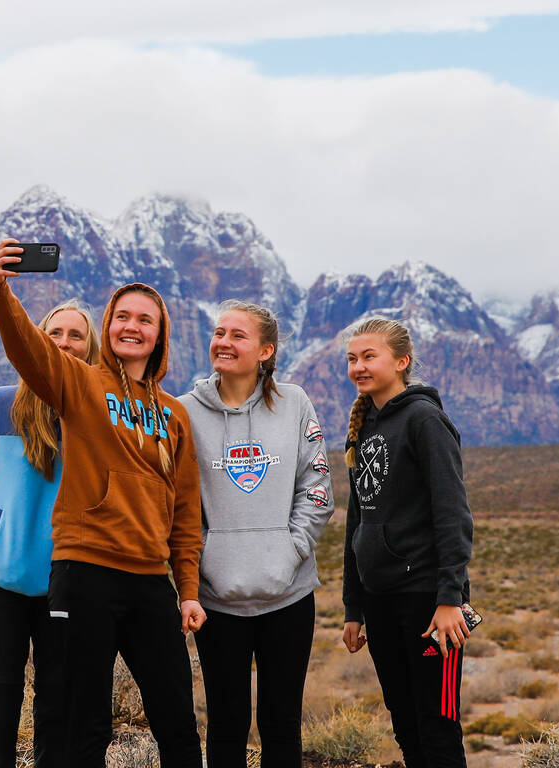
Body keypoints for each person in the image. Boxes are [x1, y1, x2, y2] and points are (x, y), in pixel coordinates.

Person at [0, 238, 206, 768]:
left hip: (152, 581)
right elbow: (29, 349)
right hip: (85, 574)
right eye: (122, 316)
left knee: (176, 717)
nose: (132, 326)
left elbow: (186, 512)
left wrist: (189, 590)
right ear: (108, 328)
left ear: (159, 335)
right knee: (86, 723)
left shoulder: (175, 416)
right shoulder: (79, 384)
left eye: (145, 319)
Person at [180, 300, 334, 768]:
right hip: (217, 598)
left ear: (265, 350)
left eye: (237, 335)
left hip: (287, 595)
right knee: (225, 724)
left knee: (280, 721)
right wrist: (205, 559)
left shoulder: (295, 402)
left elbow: (318, 486)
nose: (223, 342)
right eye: (218, 332)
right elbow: (179, 504)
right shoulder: (184, 411)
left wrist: (290, 551)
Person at [0, 299, 101, 768]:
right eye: (54, 332)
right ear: (35, 339)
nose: (64, 343)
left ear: (91, 349)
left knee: (55, 720)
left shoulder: (97, 416)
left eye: (77, 335)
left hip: (66, 588)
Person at [340, 318, 475, 768]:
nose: (359, 366)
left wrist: (450, 598)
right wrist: (353, 608)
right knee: (405, 723)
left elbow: (452, 513)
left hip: (428, 602)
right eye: (352, 359)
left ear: (401, 362)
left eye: (369, 357)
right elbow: (358, 522)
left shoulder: (425, 420)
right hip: (380, 600)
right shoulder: (366, 427)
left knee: (437, 724)